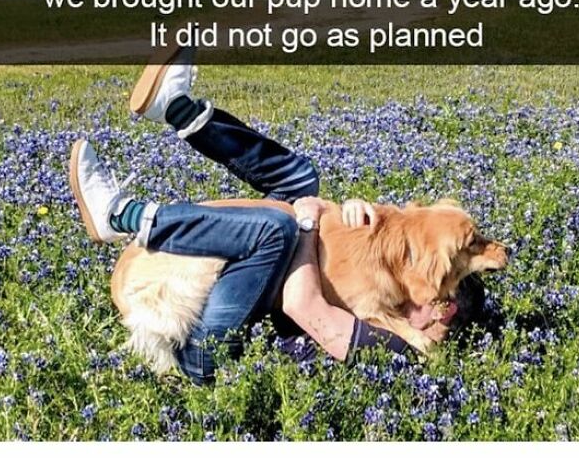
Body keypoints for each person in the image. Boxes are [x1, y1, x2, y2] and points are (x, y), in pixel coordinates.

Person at [69, 57, 477, 384]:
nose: (422, 294)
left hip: (203, 348)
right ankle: (180, 111)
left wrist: (307, 222)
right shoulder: (387, 300)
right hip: (218, 293)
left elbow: (304, 303)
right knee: (302, 181)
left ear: (441, 319)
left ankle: (124, 215)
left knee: (278, 231)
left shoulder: (395, 346)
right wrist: (344, 214)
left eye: (437, 301)